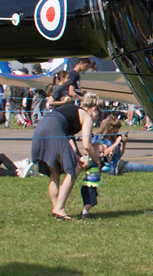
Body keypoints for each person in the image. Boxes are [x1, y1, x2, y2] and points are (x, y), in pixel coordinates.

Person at [30, 89, 101, 220]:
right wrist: (97, 161)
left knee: (55, 172)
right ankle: (59, 208)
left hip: (41, 128)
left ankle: (56, 208)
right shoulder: (86, 115)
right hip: (54, 130)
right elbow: (87, 145)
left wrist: (78, 157)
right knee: (74, 168)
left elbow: (69, 141)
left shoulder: (71, 110)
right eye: (98, 113)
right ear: (94, 108)